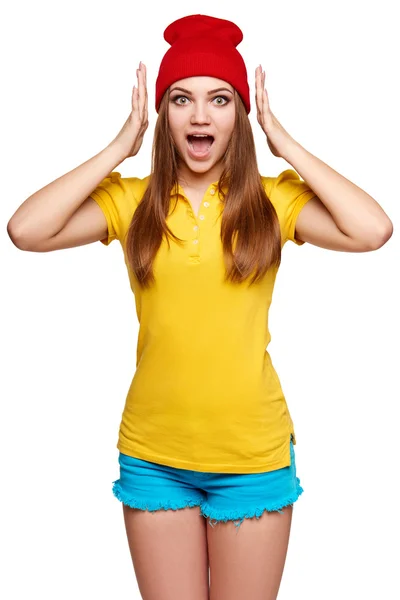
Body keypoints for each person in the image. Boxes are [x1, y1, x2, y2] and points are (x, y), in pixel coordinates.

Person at [7, 12, 393, 600]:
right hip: (154, 456)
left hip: (251, 456)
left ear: (239, 114)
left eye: (220, 99)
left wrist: (282, 141)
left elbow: (372, 230)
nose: (200, 115)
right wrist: (119, 146)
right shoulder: (133, 202)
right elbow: (25, 230)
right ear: (163, 114)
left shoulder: (272, 200)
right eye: (181, 99)